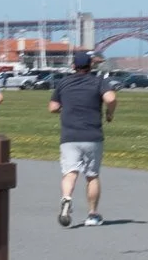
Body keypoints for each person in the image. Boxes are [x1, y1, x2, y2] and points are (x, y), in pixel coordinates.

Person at [49, 48, 116, 226]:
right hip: (92, 135)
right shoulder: (98, 81)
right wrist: (109, 114)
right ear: (90, 65)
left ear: (73, 66)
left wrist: (67, 108)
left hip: (69, 135)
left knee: (70, 172)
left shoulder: (64, 83)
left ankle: (66, 198)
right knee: (92, 176)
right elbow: (110, 99)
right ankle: (93, 214)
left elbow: (53, 107)